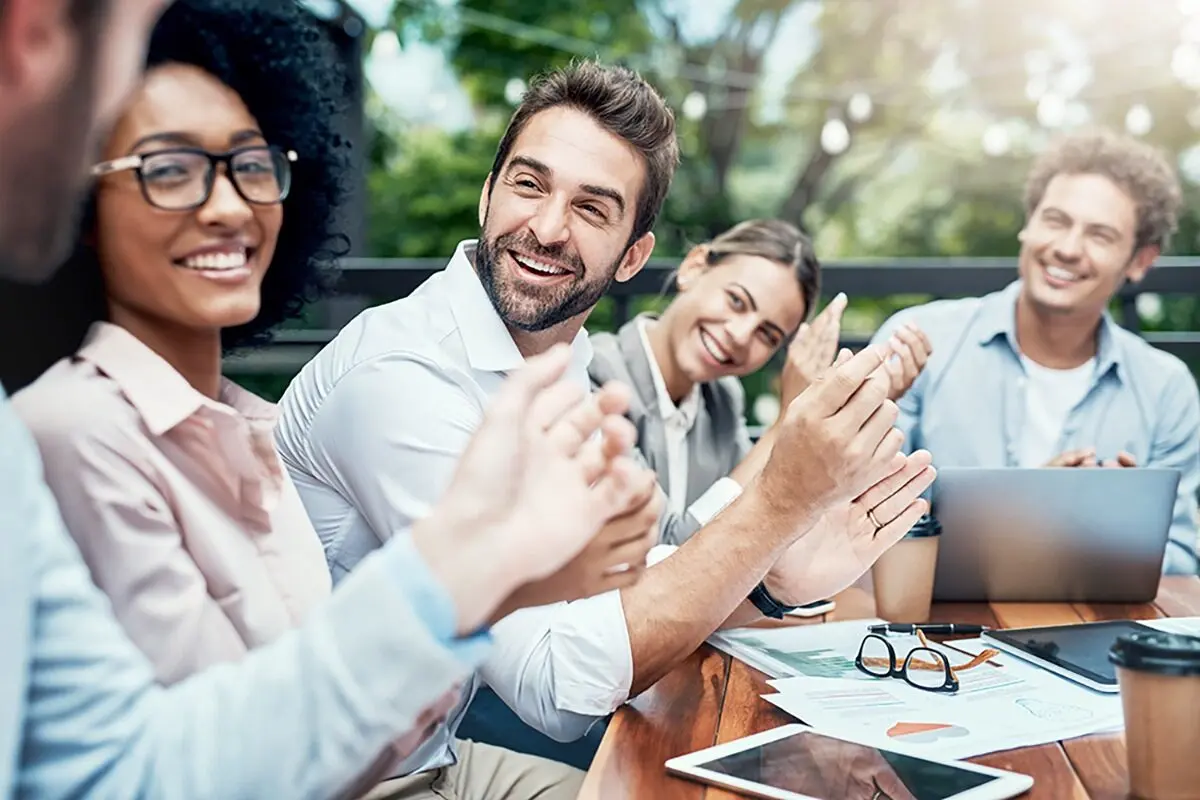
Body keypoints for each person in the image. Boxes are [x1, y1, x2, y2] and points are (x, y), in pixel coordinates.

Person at [0, 1, 653, 797]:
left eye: (253, 166)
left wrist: (486, 575)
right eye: (168, 170)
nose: (228, 206)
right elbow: (200, 766)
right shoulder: (64, 435)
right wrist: (471, 575)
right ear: (84, 201)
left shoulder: (247, 425)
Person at [275, 60, 938, 799]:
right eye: (529, 185)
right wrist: (777, 503)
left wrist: (777, 583)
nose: (548, 228)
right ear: (487, 193)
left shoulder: (563, 360)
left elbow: (639, 573)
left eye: (592, 209)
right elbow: (555, 686)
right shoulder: (401, 376)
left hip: (435, 752)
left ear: (633, 256)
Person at [873, 128, 1200, 574]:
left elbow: (1183, 560)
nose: (1067, 249)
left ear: (1140, 261)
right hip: (933, 634)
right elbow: (859, 521)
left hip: (1092, 632)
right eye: (1055, 220)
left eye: (1099, 235)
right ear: (1029, 224)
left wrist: (1116, 528)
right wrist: (1036, 517)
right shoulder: (920, 341)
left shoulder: (1166, 388)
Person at [588, 218, 929, 524]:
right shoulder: (594, 377)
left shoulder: (720, 399)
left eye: (767, 334)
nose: (739, 335)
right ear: (693, 268)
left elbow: (765, 529)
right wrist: (788, 421)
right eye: (736, 301)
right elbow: (675, 558)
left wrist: (858, 406)